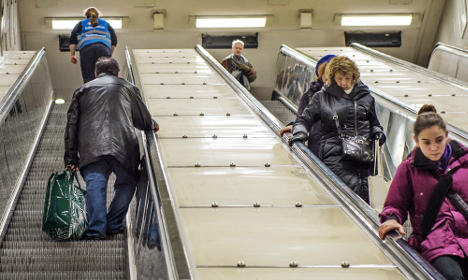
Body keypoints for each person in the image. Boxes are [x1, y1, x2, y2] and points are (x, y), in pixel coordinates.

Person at [64, 57, 159, 240]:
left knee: (95, 185)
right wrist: (153, 124)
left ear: (96, 73)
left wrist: (70, 158)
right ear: (117, 72)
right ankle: (113, 224)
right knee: (127, 183)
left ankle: (96, 230)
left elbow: (72, 125)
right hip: (124, 146)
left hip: (92, 147)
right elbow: (144, 120)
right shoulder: (127, 88)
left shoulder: (82, 90)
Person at [379, 105, 468, 280]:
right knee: (452, 276)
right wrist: (391, 219)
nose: (434, 147)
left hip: (465, 235)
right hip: (436, 240)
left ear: (447, 136)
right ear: (417, 141)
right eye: (426, 142)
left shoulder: (464, 162)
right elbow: (395, 204)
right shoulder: (410, 168)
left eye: (439, 140)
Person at [289, 56, 385, 203]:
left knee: (363, 193)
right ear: (333, 78)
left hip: (362, 154)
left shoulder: (366, 97)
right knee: (349, 192)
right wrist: (300, 133)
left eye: (347, 78)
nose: (344, 83)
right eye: (340, 79)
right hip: (334, 153)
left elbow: (374, 123)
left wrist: (378, 133)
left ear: (354, 76)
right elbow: (304, 119)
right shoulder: (321, 97)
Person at [280, 54, 336, 155]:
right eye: (327, 72)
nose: (329, 76)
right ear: (321, 74)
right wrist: (296, 126)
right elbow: (303, 117)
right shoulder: (310, 94)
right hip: (318, 146)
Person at [69, 7, 117, 83]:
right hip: (103, 49)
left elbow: (72, 40)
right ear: (98, 15)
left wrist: (72, 55)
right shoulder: (106, 24)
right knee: (105, 76)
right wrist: (109, 55)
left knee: (88, 77)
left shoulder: (81, 24)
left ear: (86, 15)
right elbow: (114, 41)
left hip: (86, 50)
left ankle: (90, 93)